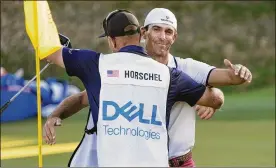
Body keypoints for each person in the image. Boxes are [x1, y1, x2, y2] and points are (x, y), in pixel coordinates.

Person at [44, 8, 252, 167]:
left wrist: (227, 84)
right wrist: (57, 114)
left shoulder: (184, 68)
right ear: (143, 32)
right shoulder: (140, 71)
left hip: (178, 161)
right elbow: (83, 98)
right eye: (157, 30)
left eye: (168, 31)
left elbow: (223, 84)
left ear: (174, 37)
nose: (162, 36)